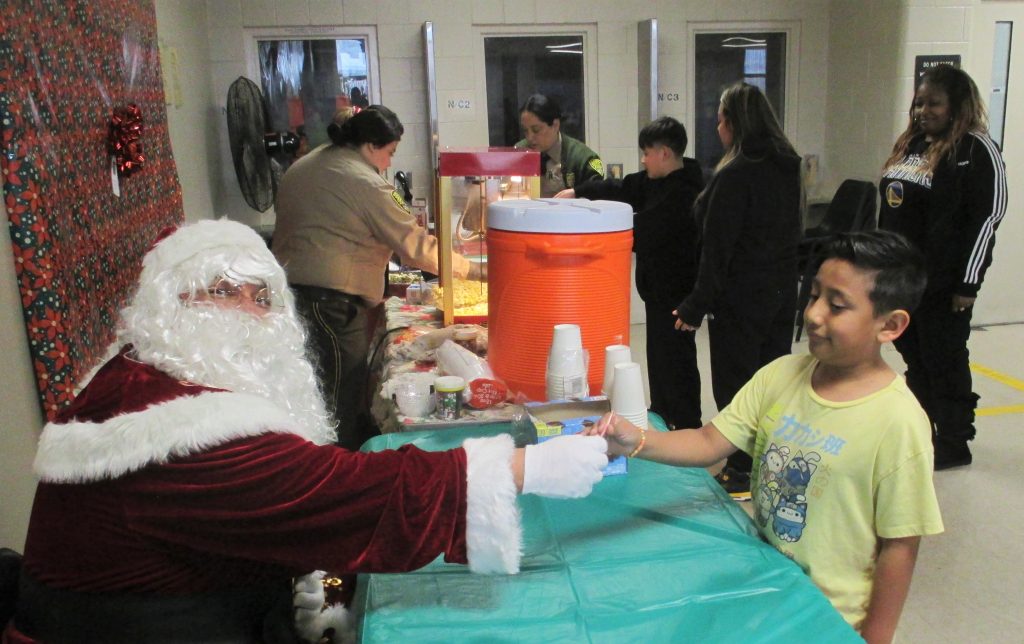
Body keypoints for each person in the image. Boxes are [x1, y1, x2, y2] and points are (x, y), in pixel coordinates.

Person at [5, 219, 608, 644]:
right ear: (171, 303)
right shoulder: (170, 427)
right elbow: (341, 493)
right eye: (220, 290)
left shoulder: (138, 373)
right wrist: (527, 468)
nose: (245, 308)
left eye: (260, 293)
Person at [588, 230, 944, 642]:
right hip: (768, 587)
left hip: (829, 618)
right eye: (813, 295)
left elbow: (899, 547)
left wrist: (874, 640)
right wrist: (636, 440)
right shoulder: (782, 375)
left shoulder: (899, 422)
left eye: (837, 305)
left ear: (891, 324)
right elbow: (708, 443)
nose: (813, 315)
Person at [272, 105, 480, 450]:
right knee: (340, 395)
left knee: (317, 390)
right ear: (371, 145)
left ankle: (331, 460)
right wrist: (475, 270)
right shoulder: (363, 181)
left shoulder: (311, 161)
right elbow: (414, 246)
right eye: (390, 153)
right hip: (331, 304)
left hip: (295, 293)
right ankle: (339, 471)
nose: (388, 163)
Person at [674, 82, 803, 499]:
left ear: (731, 122)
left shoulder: (736, 173)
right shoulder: (788, 164)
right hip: (781, 291)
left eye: (719, 120)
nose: (717, 128)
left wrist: (695, 306)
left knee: (737, 384)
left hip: (741, 297)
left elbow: (719, 249)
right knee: (771, 380)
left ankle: (741, 468)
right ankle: (768, 461)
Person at [879, 64, 1008, 470]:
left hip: (944, 283)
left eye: (933, 103)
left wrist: (968, 283)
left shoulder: (974, 149)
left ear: (957, 106)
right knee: (915, 357)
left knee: (945, 360)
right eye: (919, 102)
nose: (923, 110)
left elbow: (986, 219)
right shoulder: (912, 144)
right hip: (904, 280)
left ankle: (954, 441)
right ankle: (923, 431)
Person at [555, 116, 705, 429]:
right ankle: (663, 411)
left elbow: (646, 231)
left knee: (677, 359)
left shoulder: (686, 192)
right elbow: (620, 187)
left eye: (647, 152)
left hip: (678, 292)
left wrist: (597, 234)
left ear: (664, 153)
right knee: (658, 355)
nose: (643, 159)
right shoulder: (653, 180)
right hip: (655, 289)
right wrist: (578, 193)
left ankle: (686, 421)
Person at [516, 94, 604, 197]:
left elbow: (598, 194)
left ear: (555, 125)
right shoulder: (519, 152)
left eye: (536, 130)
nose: (530, 137)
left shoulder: (583, 159)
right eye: (525, 131)